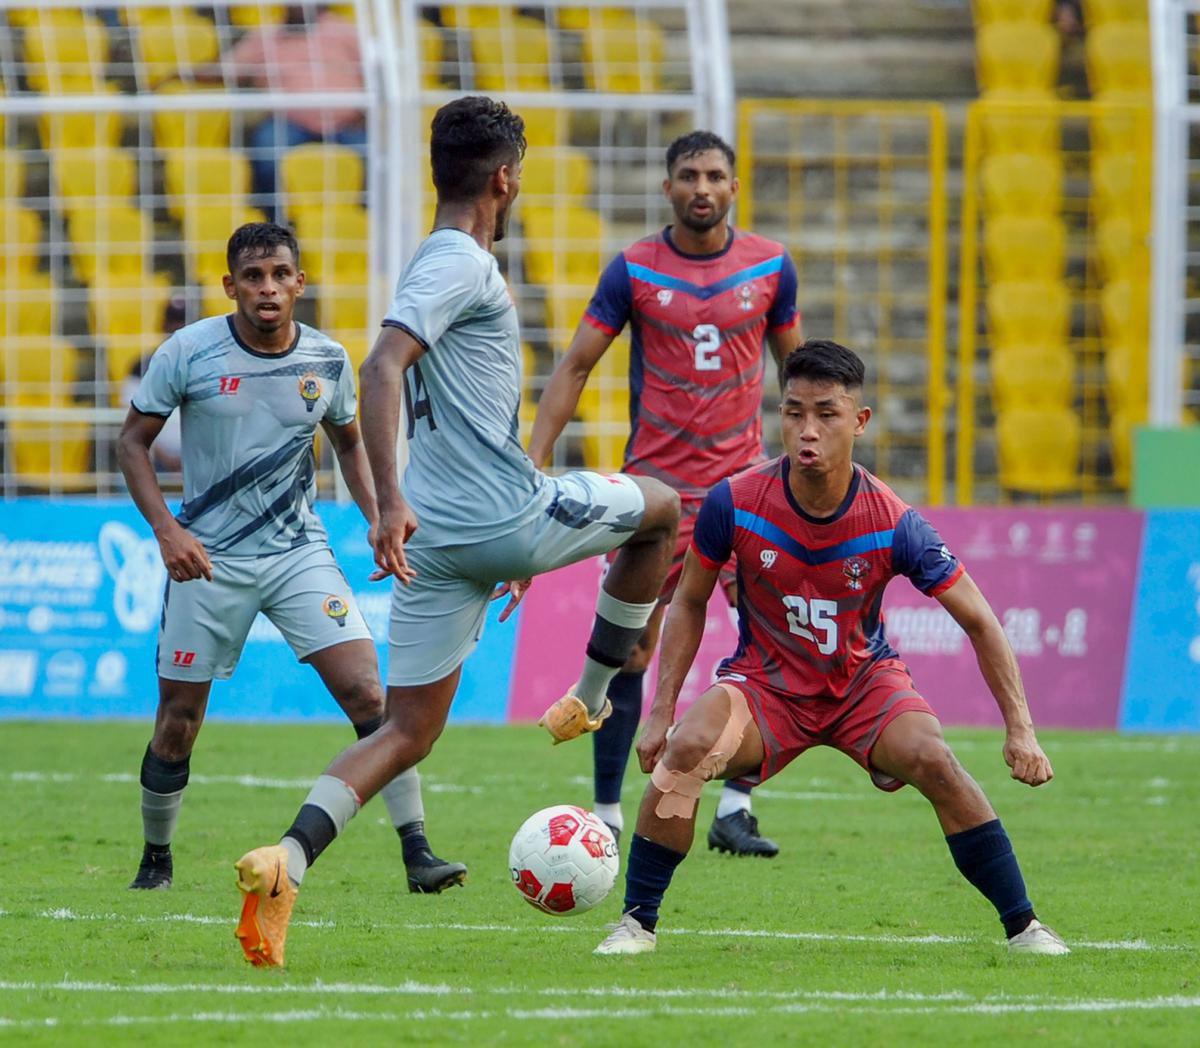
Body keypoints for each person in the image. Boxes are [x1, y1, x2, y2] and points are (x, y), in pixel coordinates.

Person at [231, 97, 680, 968]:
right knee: (660, 507)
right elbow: (380, 363)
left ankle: (285, 861)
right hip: (495, 516)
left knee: (404, 732)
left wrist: (410, 510)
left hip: (440, 541)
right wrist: (389, 500)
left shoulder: (433, 262)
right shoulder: (461, 268)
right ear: (505, 178)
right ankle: (590, 695)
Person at [593, 339, 1069, 957]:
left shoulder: (893, 521)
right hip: (764, 690)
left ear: (859, 422)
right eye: (793, 413)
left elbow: (980, 620)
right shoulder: (733, 501)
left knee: (935, 760)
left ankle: (1025, 927)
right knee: (684, 751)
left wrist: (1021, 730)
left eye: (826, 414)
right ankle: (636, 925)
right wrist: (661, 710)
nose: (807, 431)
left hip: (861, 687)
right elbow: (686, 601)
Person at [117, 221, 464, 896]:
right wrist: (167, 532)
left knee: (370, 694)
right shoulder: (189, 353)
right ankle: (156, 858)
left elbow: (350, 444)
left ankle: (417, 852)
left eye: (280, 274)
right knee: (178, 724)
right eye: (253, 276)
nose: (267, 288)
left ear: (299, 283)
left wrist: (380, 518)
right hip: (208, 558)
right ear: (230, 286)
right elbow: (132, 442)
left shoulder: (328, 362)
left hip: (296, 552)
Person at [527, 130, 803, 856]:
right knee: (630, 651)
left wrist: (810, 461)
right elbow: (577, 365)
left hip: (744, 495)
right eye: (688, 175)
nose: (701, 187)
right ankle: (607, 815)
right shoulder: (634, 271)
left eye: (715, 175)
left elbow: (798, 374)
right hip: (652, 499)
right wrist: (535, 461)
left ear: (734, 187)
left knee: (774, 649)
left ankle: (736, 809)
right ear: (668, 188)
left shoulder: (772, 266)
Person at [220, 5, 366, 205]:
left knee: (376, 158)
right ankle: (274, 221)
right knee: (266, 154)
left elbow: (376, 71)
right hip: (288, 123)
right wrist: (181, 74)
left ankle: (364, 217)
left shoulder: (343, 30)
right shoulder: (267, 37)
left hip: (347, 122)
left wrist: (364, 111)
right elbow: (226, 71)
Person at [120, 294, 187, 474]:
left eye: (183, 323)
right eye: (173, 322)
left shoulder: (208, 366)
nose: (177, 329)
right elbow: (128, 417)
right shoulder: (141, 366)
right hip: (153, 456)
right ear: (162, 324)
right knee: (132, 462)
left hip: (200, 457)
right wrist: (162, 456)